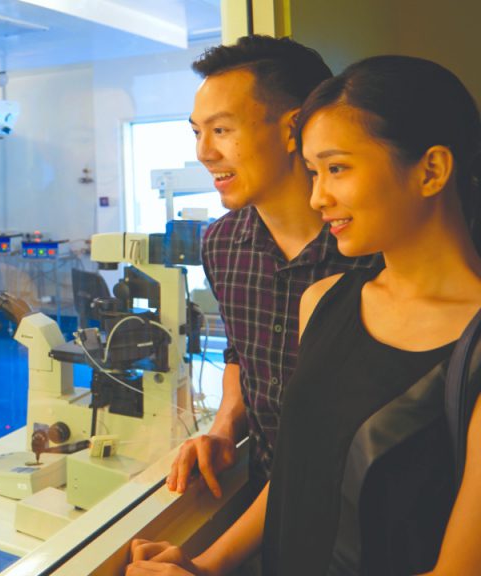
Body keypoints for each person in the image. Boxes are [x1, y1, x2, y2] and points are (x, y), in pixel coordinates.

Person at [129, 55, 481, 576]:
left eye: (336, 168)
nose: (318, 196)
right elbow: (300, 470)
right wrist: (206, 565)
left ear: (430, 170)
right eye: (314, 172)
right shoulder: (324, 300)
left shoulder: (470, 342)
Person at [170, 36, 379, 499]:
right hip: (271, 508)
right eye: (197, 132)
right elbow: (240, 353)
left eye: (221, 129)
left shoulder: (374, 246)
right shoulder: (222, 244)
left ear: (293, 129)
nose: (204, 152)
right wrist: (224, 427)